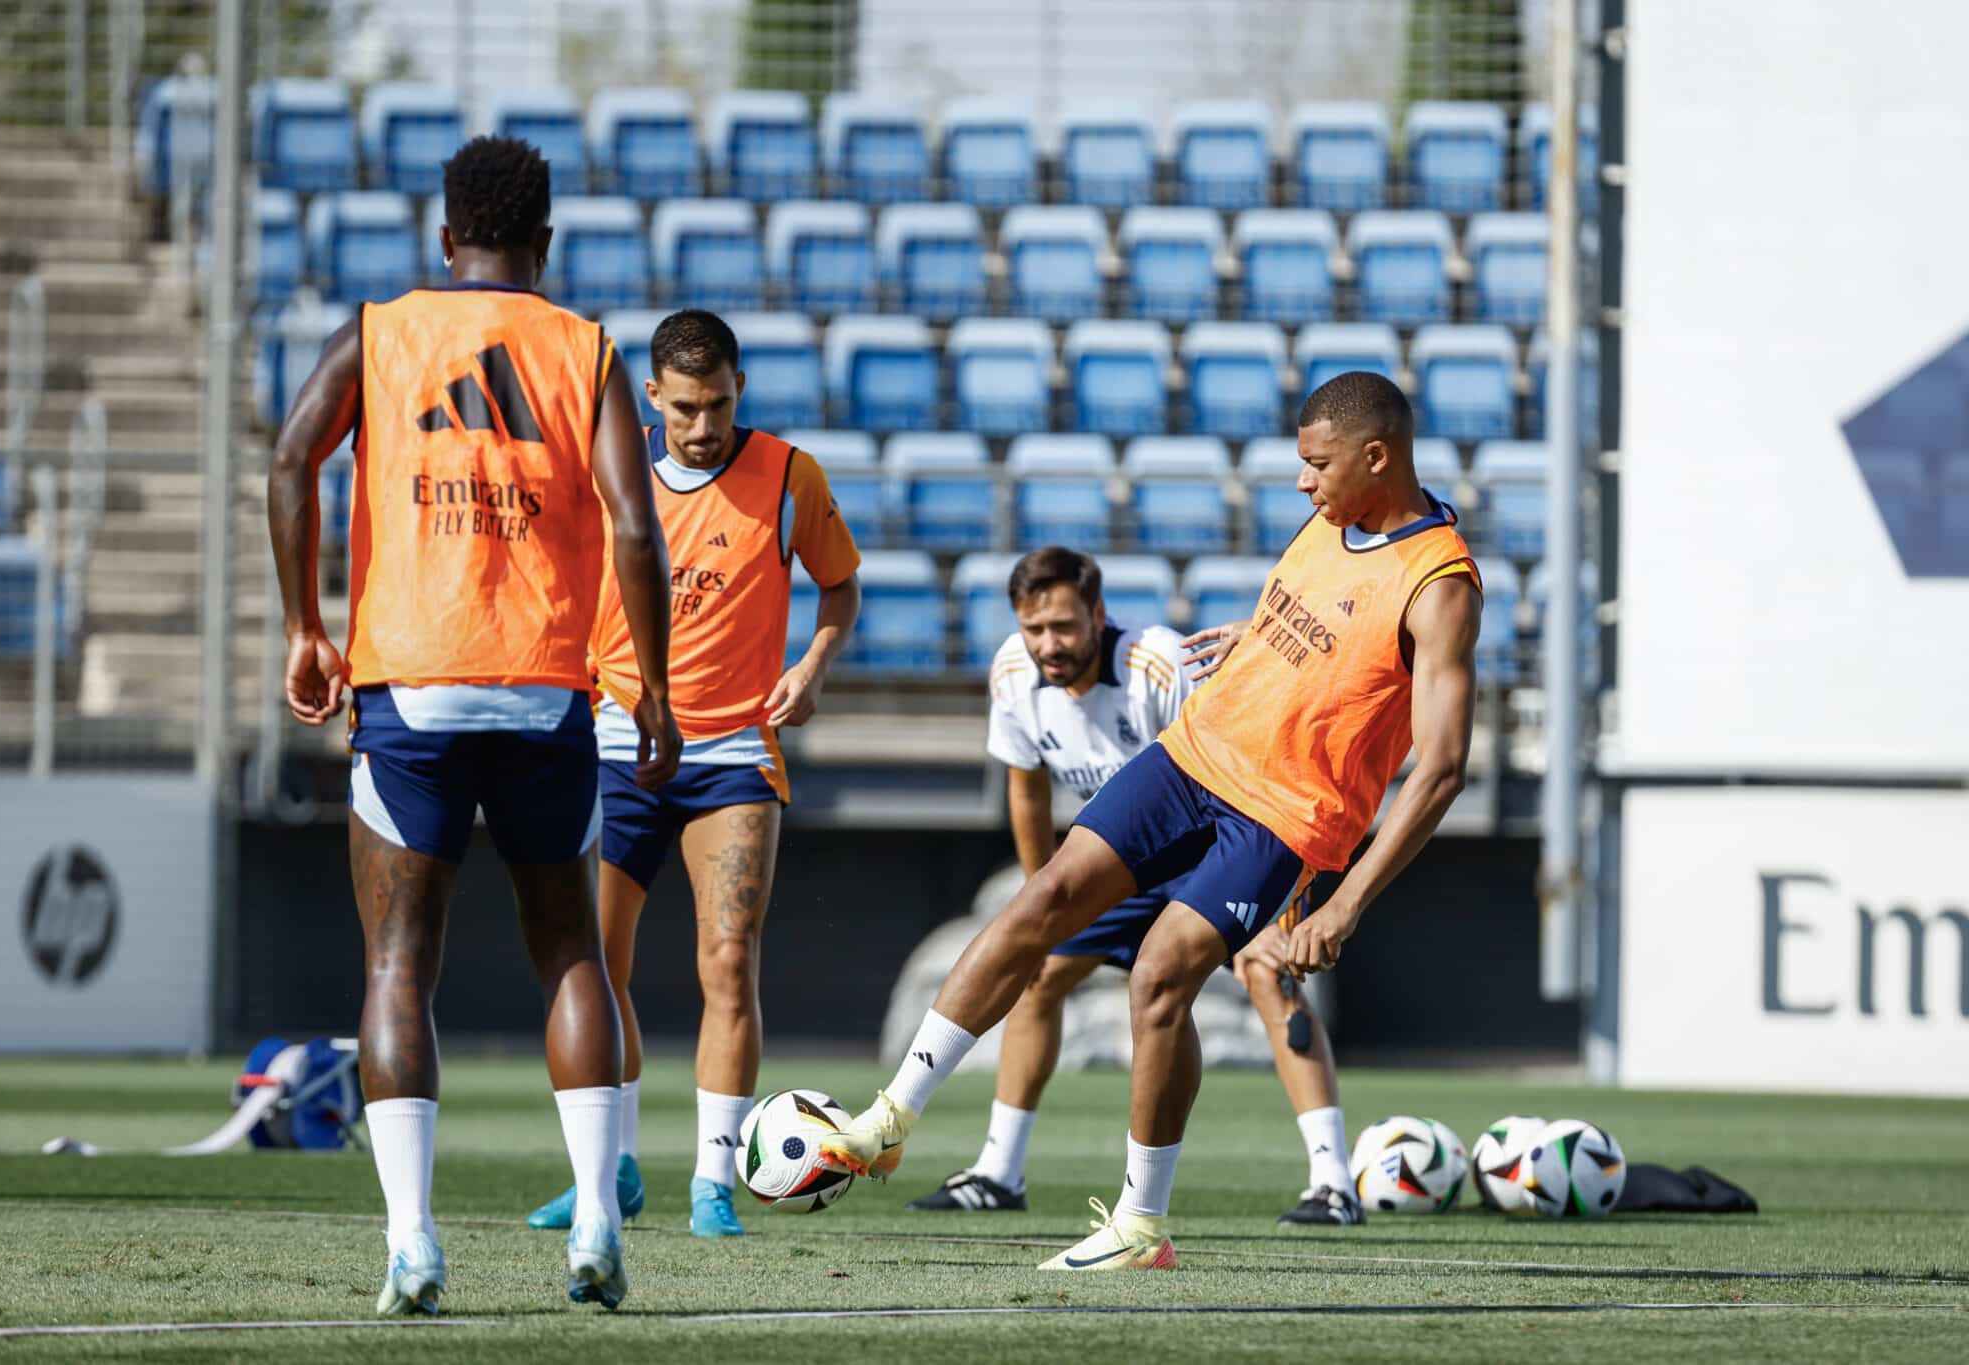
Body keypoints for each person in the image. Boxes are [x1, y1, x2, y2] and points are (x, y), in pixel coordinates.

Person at [818, 371, 1481, 1269]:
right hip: (1192, 754)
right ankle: (889, 1118)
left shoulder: (1440, 584)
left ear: (1377, 456)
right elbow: (1325, 616)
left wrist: (1345, 903)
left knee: (1159, 976)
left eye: (1315, 464)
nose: (1301, 481)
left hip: (1284, 817)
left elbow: (1440, 768)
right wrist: (1257, 635)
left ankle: (1141, 1224)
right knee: (1040, 896)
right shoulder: (1335, 516)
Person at [266, 136, 680, 1314]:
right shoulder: (584, 347)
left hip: (411, 687)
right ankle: (597, 1217)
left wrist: (304, 625)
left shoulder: (381, 332)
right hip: (547, 687)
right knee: (571, 953)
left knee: (401, 963)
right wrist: (648, 685)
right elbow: (636, 529)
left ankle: (413, 1245)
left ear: (445, 238)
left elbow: (290, 458)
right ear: (542, 246)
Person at [901, 547, 1365, 1226]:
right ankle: (1000, 1169)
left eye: (1063, 627)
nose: (1048, 645)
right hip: (1115, 865)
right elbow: (1026, 792)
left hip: (1210, 851)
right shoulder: (1011, 673)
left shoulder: (1161, 664)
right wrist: (1041, 905)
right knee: (1034, 974)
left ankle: (1333, 1180)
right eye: (1034, 629)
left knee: (1272, 970)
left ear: (1098, 615)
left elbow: (1238, 769)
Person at [526, 309, 863, 1238]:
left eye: (717, 404)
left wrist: (814, 663)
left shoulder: (790, 475)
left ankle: (713, 1180)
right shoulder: (610, 469)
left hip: (732, 755)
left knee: (728, 959)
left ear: (740, 390)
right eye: (684, 407)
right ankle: (612, 1170)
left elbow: (840, 584)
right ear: (652, 398)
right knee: (594, 966)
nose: (703, 425)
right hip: (615, 744)